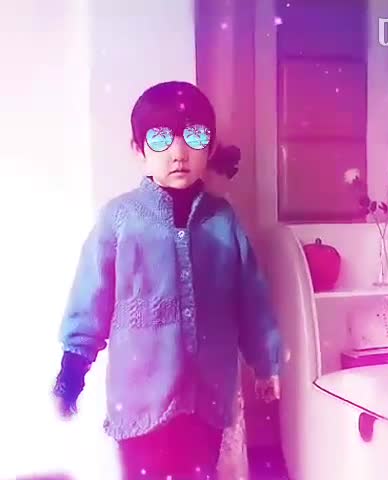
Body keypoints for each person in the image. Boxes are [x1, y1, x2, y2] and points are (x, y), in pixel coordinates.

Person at [52, 81, 281, 480]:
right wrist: (72, 372)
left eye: (194, 137)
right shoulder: (120, 221)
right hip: (141, 405)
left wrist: (266, 362)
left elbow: (252, 301)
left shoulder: (223, 221)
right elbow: (90, 301)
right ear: (138, 150)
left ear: (209, 147)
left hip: (208, 402)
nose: (178, 153)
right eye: (160, 139)